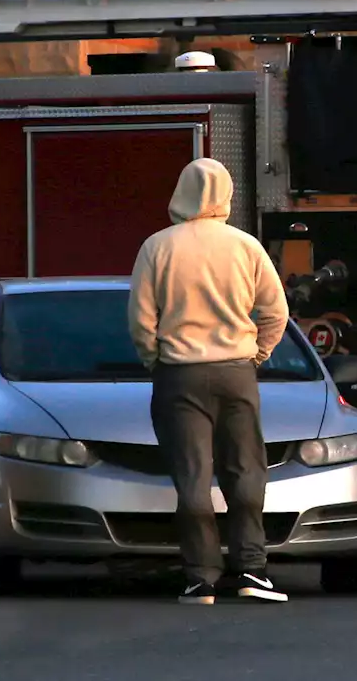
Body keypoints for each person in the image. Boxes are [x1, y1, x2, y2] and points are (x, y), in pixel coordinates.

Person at [128, 158, 291, 605]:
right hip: (237, 373)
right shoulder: (246, 246)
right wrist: (256, 355)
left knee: (192, 477)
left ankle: (200, 577)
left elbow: (141, 320)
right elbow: (276, 313)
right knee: (246, 471)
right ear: (227, 194)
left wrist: (156, 360)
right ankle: (252, 570)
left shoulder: (157, 248)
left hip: (179, 375)